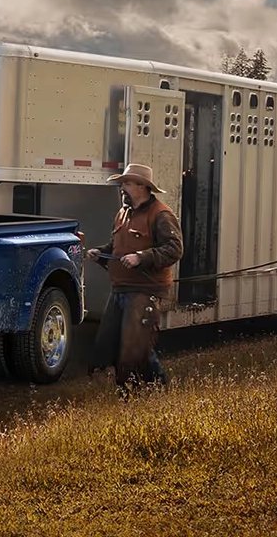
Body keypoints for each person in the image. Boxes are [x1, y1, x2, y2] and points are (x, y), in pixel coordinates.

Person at [86, 163, 184, 395]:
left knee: (134, 348)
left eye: (127, 183)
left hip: (145, 290)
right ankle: (155, 390)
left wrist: (142, 257)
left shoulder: (161, 215)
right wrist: (100, 253)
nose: (122, 188)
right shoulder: (123, 213)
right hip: (120, 288)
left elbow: (175, 249)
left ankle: (140, 393)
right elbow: (118, 247)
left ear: (142, 187)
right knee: (110, 344)